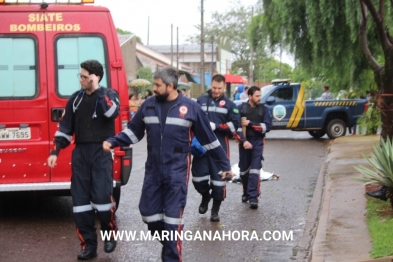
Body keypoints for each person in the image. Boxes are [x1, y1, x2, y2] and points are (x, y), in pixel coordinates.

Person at [103, 67, 233, 262]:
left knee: (172, 222)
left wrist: (225, 165)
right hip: (153, 171)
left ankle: (172, 252)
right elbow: (133, 132)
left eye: (157, 85)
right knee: (149, 215)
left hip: (177, 171)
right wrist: (113, 141)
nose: (153, 88)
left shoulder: (190, 107)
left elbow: (209, 140)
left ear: (170, 86)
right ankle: (170, 244)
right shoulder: (148, 105)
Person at [47, 60, 119, 260]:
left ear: (95, 77)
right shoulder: (75, 99)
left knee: (103, 200)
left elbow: (112, 113)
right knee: (80, 203)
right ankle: (88, 245)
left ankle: (109, 233)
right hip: (80, 153)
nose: (81, 79)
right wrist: (55, 152)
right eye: (80, 76)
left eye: (85, 76)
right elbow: (65, 128)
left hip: (101, 152)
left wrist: (96, 90)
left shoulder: (109, 95)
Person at [191, 74, 240, 221]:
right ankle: (206, 196)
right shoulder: (201, 100)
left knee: (219, 181)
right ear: (210, 86)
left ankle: (215, 211)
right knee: (197, 179)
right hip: (201, 147)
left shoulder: (230, 105)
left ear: (224, 87)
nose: (216, 91)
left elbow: (234, 125)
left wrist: (217, 126)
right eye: (214, 88)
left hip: (219, 147)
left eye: (219, 88)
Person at [235, 86, 272, 209]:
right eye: (257, 96)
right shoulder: (241, 108)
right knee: (243, 171)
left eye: (260, 96)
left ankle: (253, 197)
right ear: (249, 96)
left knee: (255, 170)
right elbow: (236, 128)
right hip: (244, 142)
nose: (259, 98)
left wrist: (250, 124)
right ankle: (246, 191)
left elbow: (267, 127)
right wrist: (244, 141)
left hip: (257, 142)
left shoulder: (264, 109)